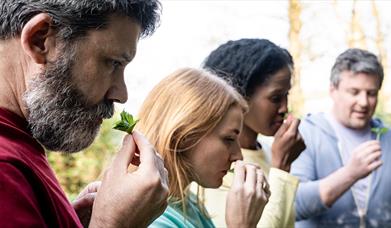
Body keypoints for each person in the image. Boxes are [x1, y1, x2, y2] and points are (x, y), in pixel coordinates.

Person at [0, 1, 169, 227]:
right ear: (40, 40)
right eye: (113, 63)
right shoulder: (4, 167)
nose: (121, 94)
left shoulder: (19, 144)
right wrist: (113, 223)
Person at [135, 68, 270, 228]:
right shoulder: (154, 222)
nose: (238, 156)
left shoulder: (189, 204)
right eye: (229, 139)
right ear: (184, 135)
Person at [202, 38, 306, 227]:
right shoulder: (219, 164)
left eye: (286, 96)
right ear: (239, 95)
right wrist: (281, 167)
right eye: (275, 98)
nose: (285, 108)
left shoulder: (267, 151)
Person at [291, 48, 391, 227]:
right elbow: (294, 205)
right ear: (333, 90)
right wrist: (350, 173)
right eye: (354, 92)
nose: (363, 102)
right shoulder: (305, 134)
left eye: (371, 93)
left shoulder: (387, 139)